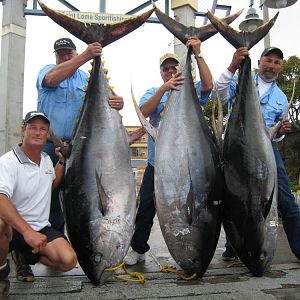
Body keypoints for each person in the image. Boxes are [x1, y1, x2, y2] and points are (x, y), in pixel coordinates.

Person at [16, 38, 124, 282]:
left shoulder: (87, 81)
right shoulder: (48, 72)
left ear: (74, 51)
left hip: (79, 146)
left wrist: (119, 102)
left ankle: (57, 243)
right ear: (56, 57)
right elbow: (52, 79)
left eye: (68, 53)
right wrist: (86, 56)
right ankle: (25, 257)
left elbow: (111, 102)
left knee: (79, 197)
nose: (65, 57)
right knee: (38, 198)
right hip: (47, 144)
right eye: (61, 54)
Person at [124, 37, 213, 265]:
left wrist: (198, 53)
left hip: (188, 166)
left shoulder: (191, 92)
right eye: (167, 69)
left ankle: (195, 244)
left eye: (175, 67)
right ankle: (139, 248)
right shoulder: (154, 91)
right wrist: (164, 89)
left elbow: (208, 86)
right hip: (158, 164)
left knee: (196, 204)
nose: (171, 71)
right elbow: (143, 112)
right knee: (146, 206)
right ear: (161, 73)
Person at [212, 46, 300, 262]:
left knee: (286, 200)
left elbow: (277, 135)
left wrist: (281, 131)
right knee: (233, 196)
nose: (271, 66)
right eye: (268, 60)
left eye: (277, 62)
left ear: (281, 66)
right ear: (259, 62)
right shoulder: (242, 80)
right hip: (237, 149)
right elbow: (219, 94)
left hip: (267, 150)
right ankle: (234, 245)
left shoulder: (280, 96)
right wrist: (233, 65)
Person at [0, 111, 77, 298]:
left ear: (47, 134)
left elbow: (50, 184)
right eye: (32, 127)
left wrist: (61, 160)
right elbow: (1, 198)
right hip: (13, 228)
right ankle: (2, 273)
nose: (37, 132)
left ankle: (25, 255)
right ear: (23, 130)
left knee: (68, 261)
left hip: (40, 228)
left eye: (42, 129)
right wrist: (27, 233)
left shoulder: (45, 160)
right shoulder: (8, 161)